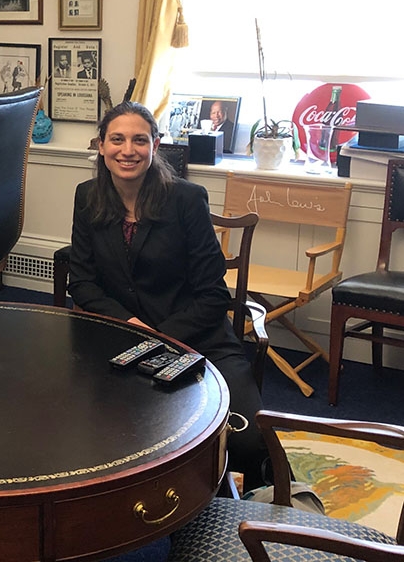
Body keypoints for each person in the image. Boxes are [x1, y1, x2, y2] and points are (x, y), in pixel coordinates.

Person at [68, 101, 268, 491]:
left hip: (197, 339)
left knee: (247, 438)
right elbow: (84, 284)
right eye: (117, 139)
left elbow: (213, 295)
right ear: (101, 146)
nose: (128, 150)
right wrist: (131, 328)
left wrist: (160, 336)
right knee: (94, 437)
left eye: (139, 140)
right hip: (120, 341)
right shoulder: (87, 196)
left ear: (155, 145)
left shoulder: (186, 199)